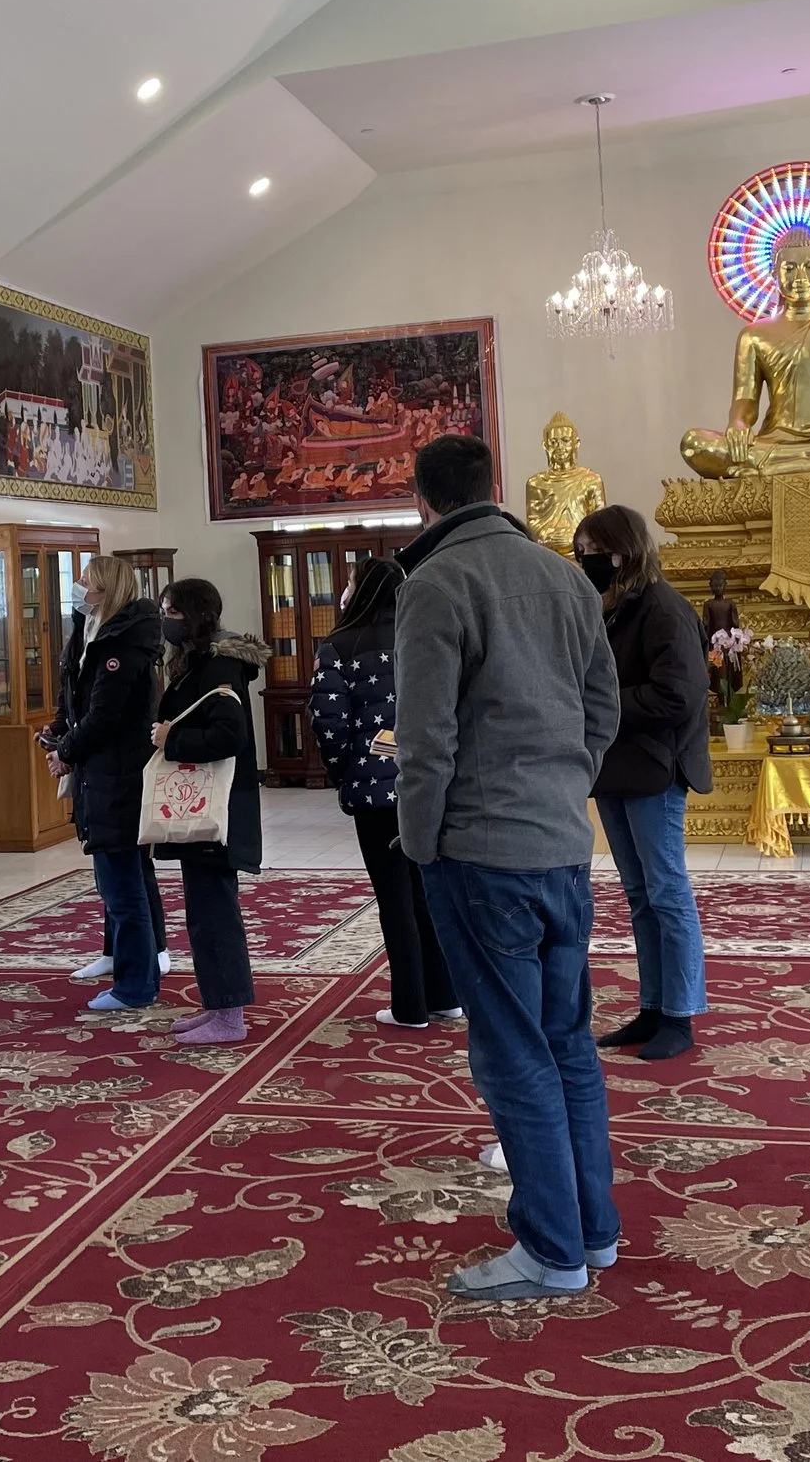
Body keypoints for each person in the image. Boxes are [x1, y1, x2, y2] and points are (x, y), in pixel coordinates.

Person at [395, 433, 621, 1301]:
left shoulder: (438, 582)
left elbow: (425, 737)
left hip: (480, 851)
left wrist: (420, 843)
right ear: (494, 485)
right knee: (568, 1041)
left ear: (425, 502)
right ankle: (593, 1231)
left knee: (513, 1049)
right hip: (561, 842)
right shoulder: (565, 575)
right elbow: (602, 704)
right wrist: (567, 778)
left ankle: (551, 1250)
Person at [575, 505, 711, 1061]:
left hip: (654, 767)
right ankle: (652, 1006)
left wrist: (604, 706)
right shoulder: (615, 608)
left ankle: (680, 1013)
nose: (583, 564)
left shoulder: (663, 609)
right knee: (638, 896)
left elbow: (679, 693)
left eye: (588, 554)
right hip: (618, 768)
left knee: (667, 891)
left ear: (620, 553)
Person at [307, 557, 460, 1029]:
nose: (344, 592)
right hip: (430, 782)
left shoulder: (338, 645)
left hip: (374, 791)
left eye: (349, 583)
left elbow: (328, 725)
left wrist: (345, 774)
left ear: (362, 591)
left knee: (393, 897)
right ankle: (446, 995)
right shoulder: (426, 637)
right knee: (427, 892)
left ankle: (409, 1005)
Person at [47, 555, 167, 1012]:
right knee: (117, 882)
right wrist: (62, 738)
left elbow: (104, 716)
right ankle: (131, 971)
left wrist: (67, 752)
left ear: (107, 591)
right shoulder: (93, 632)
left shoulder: (122, 645)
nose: (78, 590)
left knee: (124, 888)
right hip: (101, 775)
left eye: (86, 584)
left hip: (118, 777)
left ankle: (135, 985)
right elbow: (75, 698)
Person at [151, 578, 268, 1045]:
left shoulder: (219, 662)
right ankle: (218, 1004)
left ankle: (229, 1016)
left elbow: (228, 735)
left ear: (195, 615)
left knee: (215, 912)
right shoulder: (202, 658)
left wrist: (170, 739)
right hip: (200, 805)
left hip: (215, 808)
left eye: (171, 612)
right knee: (203, 910)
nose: (166, 620)